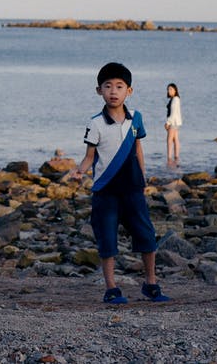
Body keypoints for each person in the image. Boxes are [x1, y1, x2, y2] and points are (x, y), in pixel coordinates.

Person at [70, 62, 170, 304]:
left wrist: (143, 178)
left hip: (133, 188)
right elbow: (89, 157)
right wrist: (79, 171)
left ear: (129, 91)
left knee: (146, 235)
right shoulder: (95, 123)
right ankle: (111, 288)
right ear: (99, 91)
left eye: (119, 86)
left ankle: (151, 283)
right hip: (106, 191)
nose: (113, 91)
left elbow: (138, 149)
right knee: (107, 239)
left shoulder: (136, 119)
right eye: (108, 86)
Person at [164, 83, 182, 167]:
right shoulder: (175, 99)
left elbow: (173, 113)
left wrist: (168, 122)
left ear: (175, 90)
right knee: (175, 139)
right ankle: (176, 157)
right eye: (168, 89)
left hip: (173, 122)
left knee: (169, 140)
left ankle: (169, 158)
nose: (169, 91)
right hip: (176, 122)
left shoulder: (175, 99)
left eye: (171, 89)